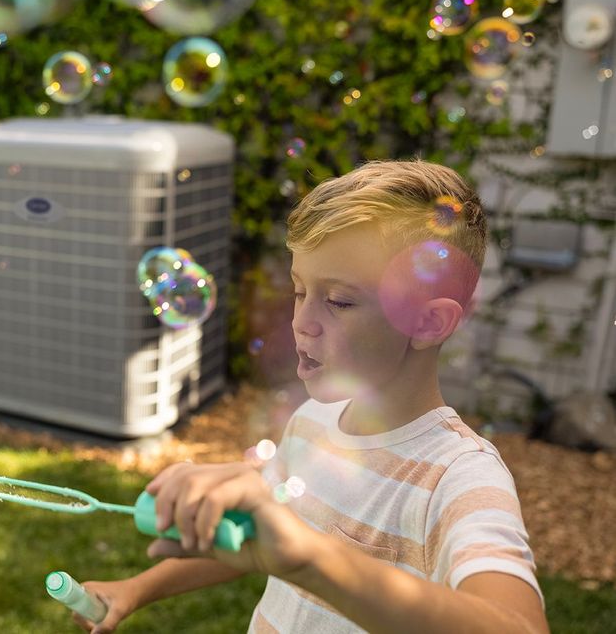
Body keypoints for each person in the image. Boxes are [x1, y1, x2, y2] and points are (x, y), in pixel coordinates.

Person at [73, 160, 549, 633]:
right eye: (300, 291)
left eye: (339, 301)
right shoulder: (315, 418)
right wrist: (136, 588)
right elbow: (263, 543)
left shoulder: (459, 477)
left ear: (427, 323)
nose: (302, 320)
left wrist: (311, 559)